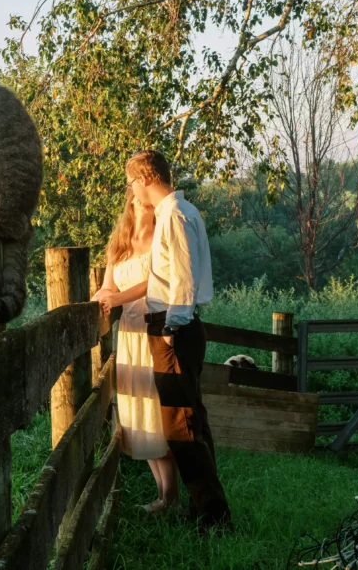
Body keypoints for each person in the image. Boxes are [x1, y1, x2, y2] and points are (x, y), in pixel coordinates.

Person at [125, 149, 232, 532]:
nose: (132, 191)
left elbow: (183, 278)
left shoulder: (174, 215)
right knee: (190, 421)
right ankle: (206, 508)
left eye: (132, 182)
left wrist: (171, 328)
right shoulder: (179, 212)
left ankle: (213, 517)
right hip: (177, 327)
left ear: (146, 177)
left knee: (181, 426)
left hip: (174, 330)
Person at [93, 194, 179, 514]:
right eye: (137, 199)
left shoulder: (162, 239)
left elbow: (150, 284)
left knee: (156, 414)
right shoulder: (119, 243)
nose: (143, 204)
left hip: (153, 328)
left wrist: (112, 301)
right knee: (137, 411)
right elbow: (108, 287)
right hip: (128, 333)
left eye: (147, 201)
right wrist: (96, 301)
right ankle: (162, 496)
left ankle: (170, 496)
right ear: (130, 203)